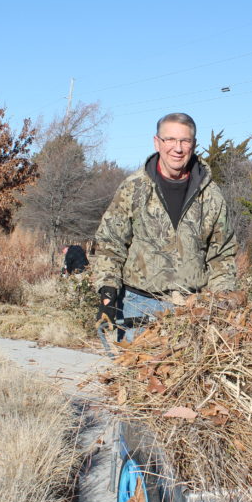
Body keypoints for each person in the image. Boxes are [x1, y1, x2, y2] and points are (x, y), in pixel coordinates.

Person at [93, 112, 237, 340]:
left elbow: (222, 255)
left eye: (184, 141)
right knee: (136, 375)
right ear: (157, 142)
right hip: (138, 306)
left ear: (193, 144)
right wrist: (107, 291)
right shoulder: (134, 188)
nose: (177, 148)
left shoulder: (211, 195)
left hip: (192, 308)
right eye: (169, 139)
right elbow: (110, 244)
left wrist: (223, 303)